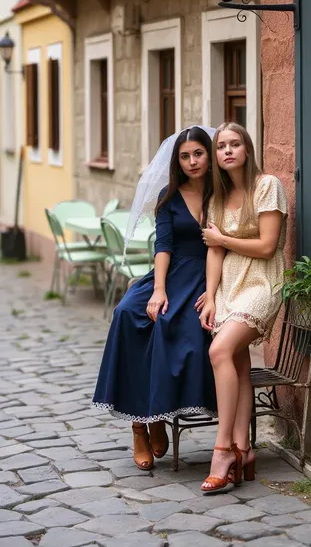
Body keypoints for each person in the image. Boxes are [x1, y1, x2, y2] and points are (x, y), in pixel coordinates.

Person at [92, 126, 217, 470]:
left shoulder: (221, 194)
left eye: (198, 154)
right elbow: (163, 246)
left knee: (177, 327)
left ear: (209, 155)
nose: (192, 161)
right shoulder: (169, 195)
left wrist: (214, 289)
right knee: (127, 314)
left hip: (205, 277)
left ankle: (157, 412)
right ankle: (140, 425)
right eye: (185, 156)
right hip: (170, 272)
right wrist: (158, 289)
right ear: (177, 161)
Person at [199, 121, 287, 492]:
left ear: (247, 149)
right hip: (230, 287)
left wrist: (223, 237)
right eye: (221, 147)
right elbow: (214, 251)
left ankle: (222, 450)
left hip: (262, 282)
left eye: (235, 144)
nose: (228, 151)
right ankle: (244, 450)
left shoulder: (267, 186)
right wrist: (211, 296)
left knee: (219, 350)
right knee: (237, 360)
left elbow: (268, 246)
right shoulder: (216, 198)